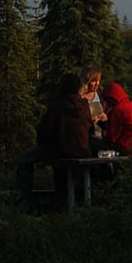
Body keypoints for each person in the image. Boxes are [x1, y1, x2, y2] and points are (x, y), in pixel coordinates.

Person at [16, 73, 94, 209]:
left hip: (60, 150)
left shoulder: (58, 105)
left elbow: (47, 130)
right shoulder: (84, 106)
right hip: (81, 150)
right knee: (63, 167)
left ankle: (25, 200)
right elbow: (90, 130)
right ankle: (65, 201)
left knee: (25, 158)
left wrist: (42, 141)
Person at [99, 82, 132, 156]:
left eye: (106, 99)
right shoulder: (129, 106)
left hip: (126, 148)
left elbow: (111, 137)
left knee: (94, 145)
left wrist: (101, 125)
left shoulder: (118, 110)